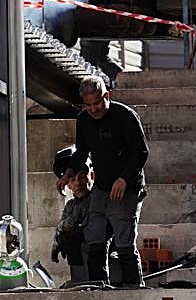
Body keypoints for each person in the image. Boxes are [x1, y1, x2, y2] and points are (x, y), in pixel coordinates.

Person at [56, 75, 149, 287]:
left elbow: (141, 152)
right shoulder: (84, 119)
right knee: (94, 238)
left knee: (124, 241)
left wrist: (124, 180)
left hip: (127, 188)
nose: (94, 109)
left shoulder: (124, 116)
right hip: (101, 188)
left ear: (106, 96)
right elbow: (82, 151)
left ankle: (134, 288)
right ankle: (98, 285)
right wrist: (68, 173)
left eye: (97, 103)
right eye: (88, 105)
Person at [51, 147, 93, 283]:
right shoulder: (70, 205)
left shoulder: (98, 200)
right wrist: (58, 242)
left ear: (91, 176)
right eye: (72, 180)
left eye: (81, 177)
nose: (78, 184)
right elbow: (62, 227)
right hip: (79, 268)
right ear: (67, 185)